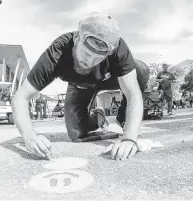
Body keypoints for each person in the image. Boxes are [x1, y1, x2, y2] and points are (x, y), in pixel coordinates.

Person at [11, 12, 150, 161]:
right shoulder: (58, 52)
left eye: (98, 58)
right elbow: (21, 96)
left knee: (141, 69)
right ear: (76, 39)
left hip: (109, 79)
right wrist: (30, 137)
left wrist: (130, 138)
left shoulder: (119, 49)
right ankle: (99, 117)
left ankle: (123, 119)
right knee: (77, 134)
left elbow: (133, 94)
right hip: (81, 86)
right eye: (85, 53)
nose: (89, 63)